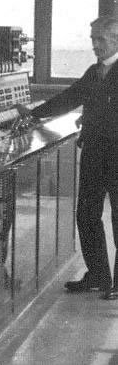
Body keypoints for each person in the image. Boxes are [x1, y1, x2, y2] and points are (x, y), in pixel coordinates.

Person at [17, 15, 118, 300]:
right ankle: (98, 276)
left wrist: (95, 117)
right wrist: (34, 113)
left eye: (100, 39)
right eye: (92, 39)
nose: (94, 45)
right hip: (95, 153)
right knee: (87, 214)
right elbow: (70, 97)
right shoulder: (94, 71)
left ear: (116, 38)